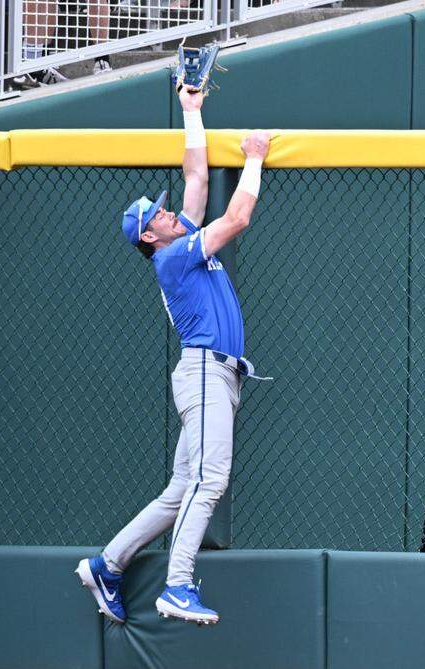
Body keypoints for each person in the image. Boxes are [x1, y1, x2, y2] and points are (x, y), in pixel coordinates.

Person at [76, 86, 271, 625]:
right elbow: (235, 221)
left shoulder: (177, 240)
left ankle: (108, 564)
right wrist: (254, 160)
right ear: (149, 236)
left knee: (181, 489)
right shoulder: (172, 260)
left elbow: (197, 179)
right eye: (157, 216)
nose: (168, 214)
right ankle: (177, 585)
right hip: (206, 373)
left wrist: (191, 110)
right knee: (210, 481)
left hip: (214, 376)